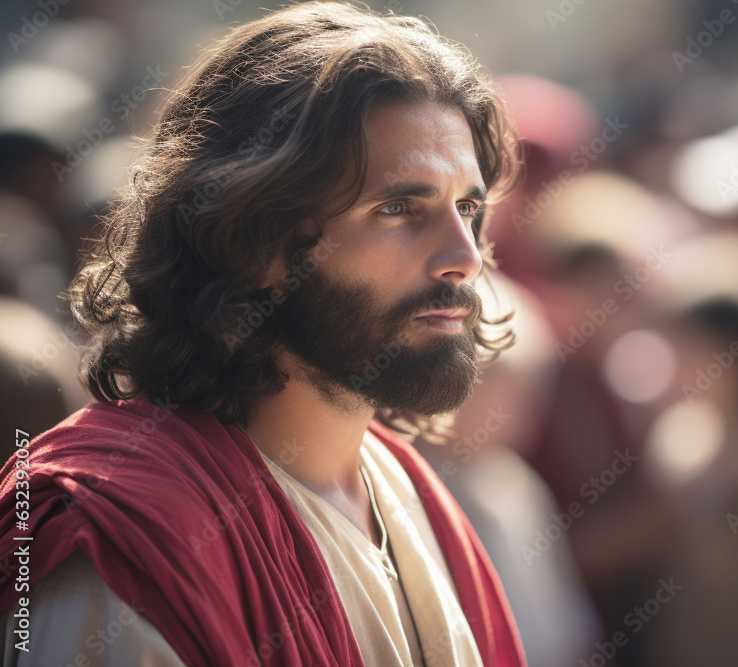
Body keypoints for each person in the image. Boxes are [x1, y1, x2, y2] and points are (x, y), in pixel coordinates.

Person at [0, 2, 526, 665]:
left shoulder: (408, 490)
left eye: (468, 207)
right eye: (398, 208)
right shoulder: (126, 544)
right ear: (256, 244)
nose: (466, 255)